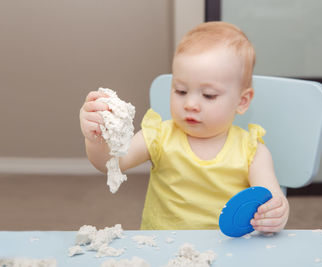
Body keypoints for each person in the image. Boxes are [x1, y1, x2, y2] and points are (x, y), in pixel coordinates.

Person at [79, 21, 289, 232]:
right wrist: (96, 138)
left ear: (242, 102)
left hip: (227, 249)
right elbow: (111, 163)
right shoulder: (160, 136)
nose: (190, 104)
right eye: (180, 91)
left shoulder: (253, 151)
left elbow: (272, 199)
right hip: (163, 247)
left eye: (208, 95)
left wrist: (276, 213)